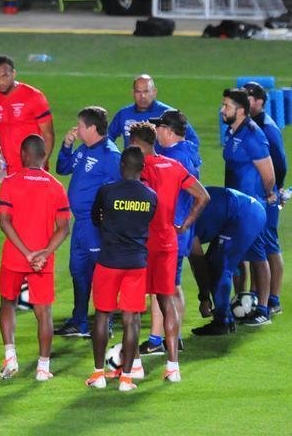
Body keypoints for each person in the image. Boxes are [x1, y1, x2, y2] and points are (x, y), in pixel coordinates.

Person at [129, 122, 209, 382]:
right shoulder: (174, 166)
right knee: (166, 300)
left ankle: (135, 366)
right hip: (167, 242)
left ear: (135, 144)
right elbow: (203, 196)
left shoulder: (138, 169)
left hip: (142, 245)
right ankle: (173, 367)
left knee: (133, 305)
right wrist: (184, 224)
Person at [0, 134, 72, 381]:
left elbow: (4, 221)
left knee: (8, 303)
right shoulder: (56, 187)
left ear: (23, 154)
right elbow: (64, 228)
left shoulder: (9, 183)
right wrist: (43, 254)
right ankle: (43, 368)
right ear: (43, 156)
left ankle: (10, 357)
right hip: (42, 261)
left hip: (14, 256)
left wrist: (26, 252)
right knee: (44, 312)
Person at [86, 147, 156, 392]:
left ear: (122, 165)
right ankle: (126, 378)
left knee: (102, 315)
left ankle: (98, 374)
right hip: (136, 264)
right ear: (142, 168)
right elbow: (148, 222)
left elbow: (95, 218)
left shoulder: (107, 191)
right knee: (131, 318)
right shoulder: (150, 196)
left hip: (109, 261)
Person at [54, 105, 121, 338]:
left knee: (102, 274)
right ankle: (79, 321)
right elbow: (62, 168)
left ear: (92, 128)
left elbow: (123, 188)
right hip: (81, 225)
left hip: (97, 226)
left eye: (80, 126)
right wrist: (67, 146)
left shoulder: (111, 155)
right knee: (79, 272)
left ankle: (106, 322)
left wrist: (109, 217)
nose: (77, 129)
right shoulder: (84, 149)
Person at [142, 109, 203, 355]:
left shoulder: (176, 158)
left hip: (170, 231)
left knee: (166, 288)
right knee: (169, 286)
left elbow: (195, 195)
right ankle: (167, 338)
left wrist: (184, 223)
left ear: (168, 131)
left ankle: (162, 340)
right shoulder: (186, 150)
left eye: (158, 127)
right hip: (176, 230)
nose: (156, 131)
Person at [221, 88, 278, 326]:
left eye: (227, 106)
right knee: (236, 255)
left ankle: (263, 309)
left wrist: (266, 195)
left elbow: (269, 174)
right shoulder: (232, 131)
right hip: (234, 205)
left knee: (258, 256)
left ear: (241, 111)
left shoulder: (253, 135)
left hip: (251, 206)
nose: (222, 110)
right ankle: (241, 300)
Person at [187, 186, 267, 336]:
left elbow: (198, 263)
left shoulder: (183, 221)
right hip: (243, 211)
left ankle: (222, 321)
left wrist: (204, 297)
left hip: (245, 214)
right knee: (214, 263)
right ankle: (225, 318)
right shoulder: (183, 209)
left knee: (221, 267)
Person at [242, 82, 288, 315]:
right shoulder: (248, 125)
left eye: (248, 97)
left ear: (260, 101)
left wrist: (274, 191)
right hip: (254, 196)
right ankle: (256, 293)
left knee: (269, 244)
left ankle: (274, 298)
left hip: (267, 196)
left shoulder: (267, 128)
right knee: (256, 244)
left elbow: (280, 163)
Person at [0, 55, 54, 178]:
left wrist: (40, 166)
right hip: (7, 173)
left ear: (14, 73)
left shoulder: (34, 96)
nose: (1, 81)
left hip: (33, 170)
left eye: (5, 76)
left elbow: (48, 135)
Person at [107, 74, 194, 148]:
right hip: (133, 163)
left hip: (160, 163)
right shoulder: (124, 114)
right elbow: (108, 137)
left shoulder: (168, 114)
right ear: (133, 93)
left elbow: (192, 139)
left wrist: (174, 157)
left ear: (154, 92)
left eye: (146, 91)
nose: (142, 96)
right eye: (138, 92)